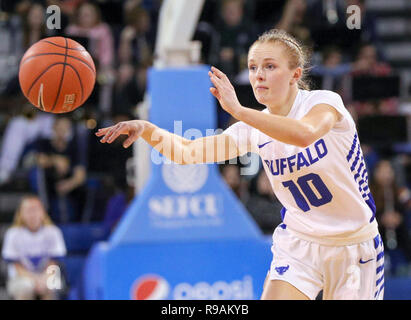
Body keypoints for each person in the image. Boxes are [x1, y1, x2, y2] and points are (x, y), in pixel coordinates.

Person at [96, 29, 384, 300]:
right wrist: (148, 130)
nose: (259, 75)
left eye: (270, 66)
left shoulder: (324, 103)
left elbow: (304, 135)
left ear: (295, 74)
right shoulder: (253, 127)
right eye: (253, 67)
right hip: (300, 243)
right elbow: (188, 152)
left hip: (354, 244)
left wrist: (238, 111)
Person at [1, 195, 66, 300]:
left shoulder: (54, 232)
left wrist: (43, 279)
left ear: (43, 212)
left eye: (35, 209)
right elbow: (17, 266)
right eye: (28, 210)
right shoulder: (12, 234)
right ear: (20, 214)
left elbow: (53, 262)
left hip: (48, 274)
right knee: (26, 287)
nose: (32, 214)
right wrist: (34, 280)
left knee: (50, 285)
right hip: (21, 277)